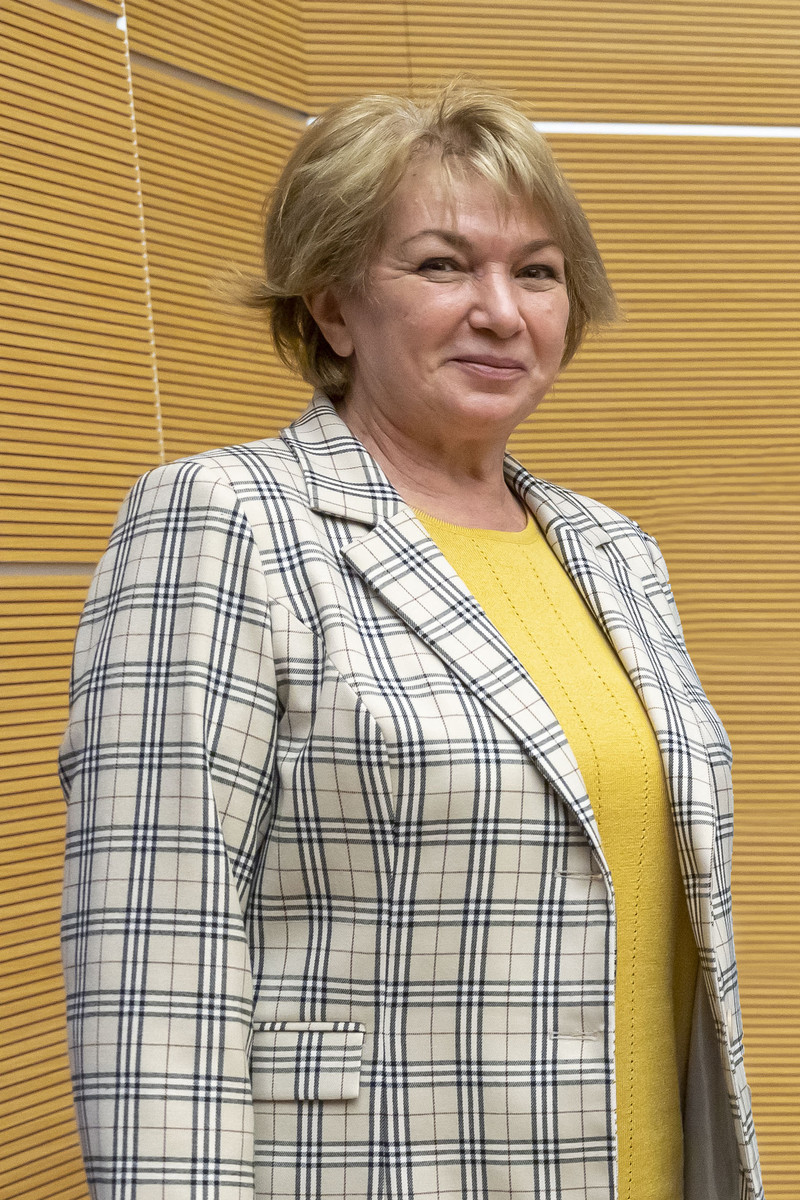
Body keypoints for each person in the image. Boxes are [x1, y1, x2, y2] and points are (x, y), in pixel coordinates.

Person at [60, 81, 762, 1200]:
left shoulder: (614, 551)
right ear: (332, 306)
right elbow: (155, 964)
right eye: (442, 265)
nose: (501, 311)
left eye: (537, 272)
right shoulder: (225, 519)